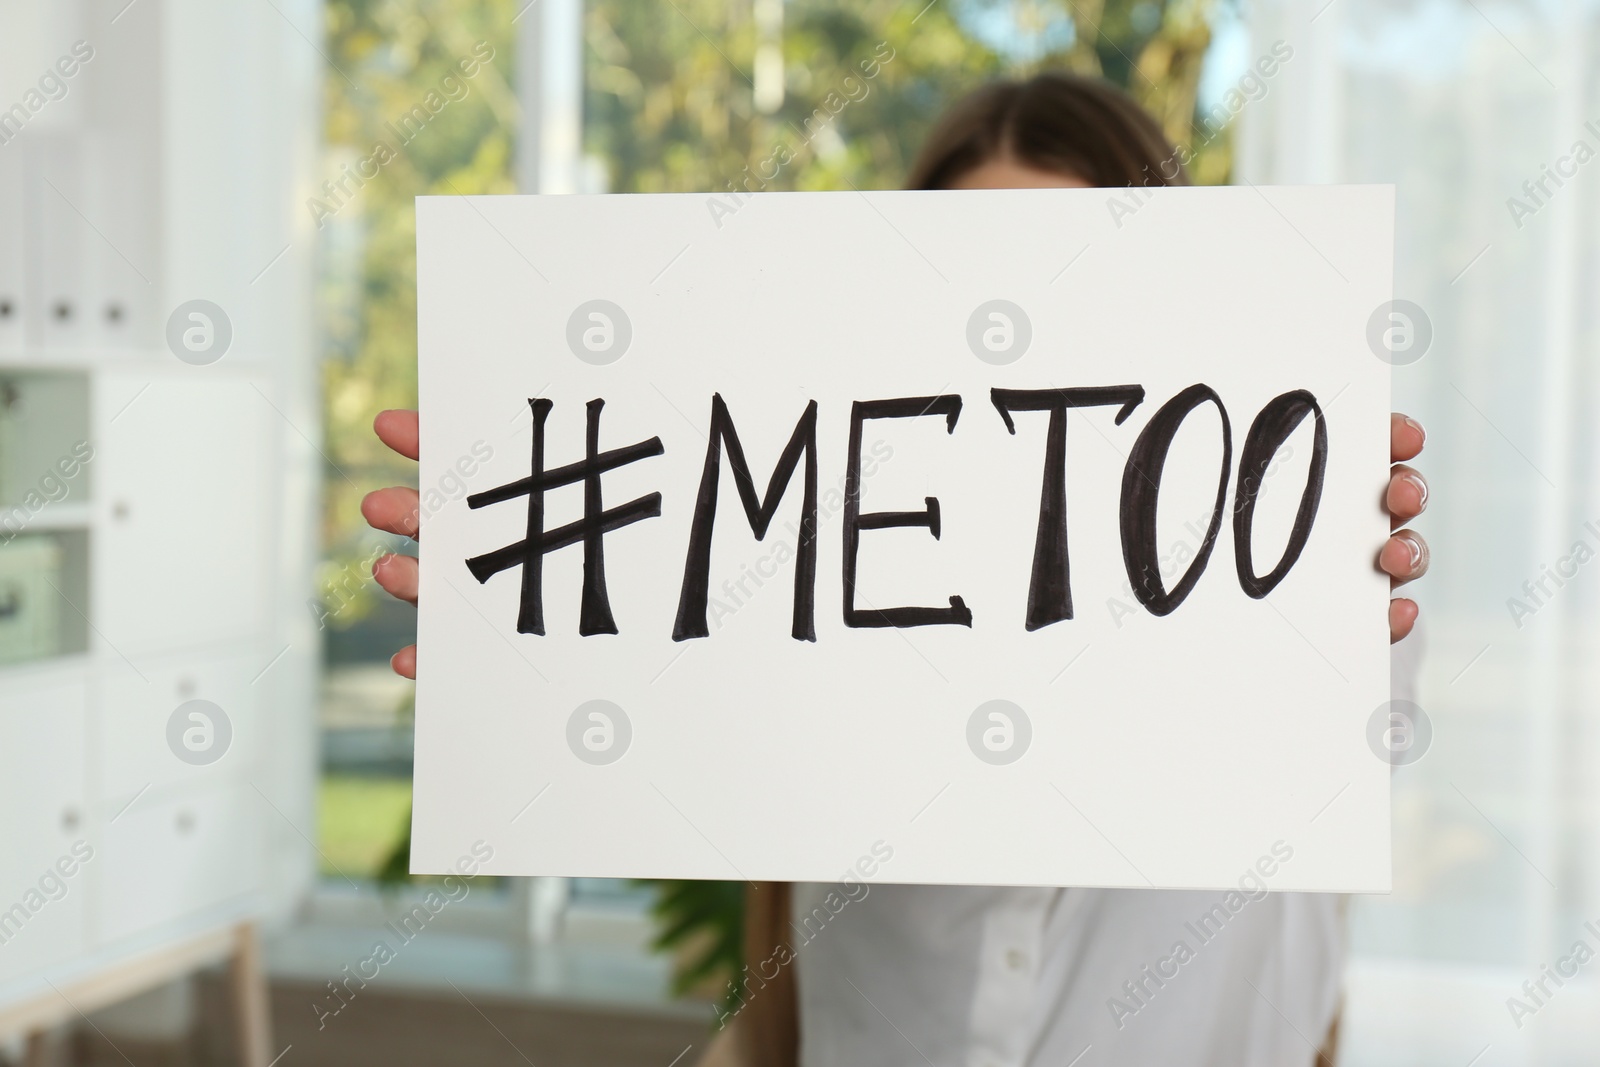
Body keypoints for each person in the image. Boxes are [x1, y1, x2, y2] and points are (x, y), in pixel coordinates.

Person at [362, 71, 1429, 1067]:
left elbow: (1347, 726)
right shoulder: (809, 603)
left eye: (1075, 279)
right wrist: (516, 603)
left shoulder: (1311, 582)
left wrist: (1341, 560)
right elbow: (650, 679)